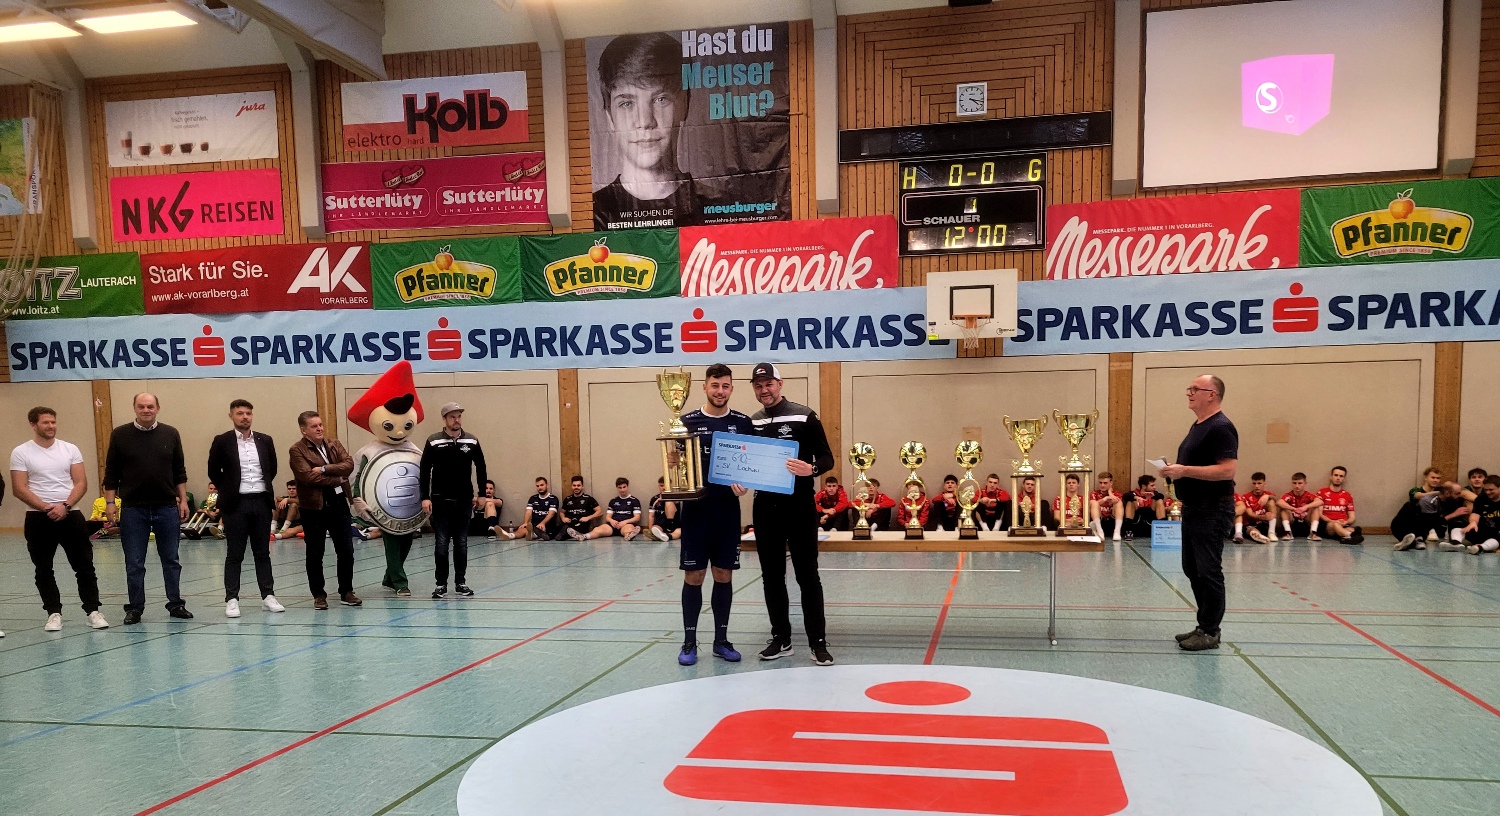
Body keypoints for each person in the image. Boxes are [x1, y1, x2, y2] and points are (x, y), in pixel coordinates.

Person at [591, 33, 742, 230]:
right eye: (627, 104)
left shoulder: (721, 209)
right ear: (610, 117)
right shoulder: (595, 214)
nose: (645, 121)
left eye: (660, 100)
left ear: (684, 105)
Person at [749, 362, 835, 666]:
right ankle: (781, 639)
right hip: (765, 508)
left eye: (768, 384)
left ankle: (817, 642)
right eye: (758, 386)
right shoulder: (753, 422)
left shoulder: (804, 415)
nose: (764, 390)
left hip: (799, 507)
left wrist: (812, 469)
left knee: (807, 576)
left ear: (780, 383)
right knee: (772, 577)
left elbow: (827, 458)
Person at [673, 363, 752, 664]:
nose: (720, 391)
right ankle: (689, 643)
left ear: (732, 388)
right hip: (696, 514)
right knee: (694, 576)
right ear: (704, 387)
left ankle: (721, 640)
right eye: (715, 385)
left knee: (723, 574)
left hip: (728, 513)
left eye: (725, 386)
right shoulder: (685, 422)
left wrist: (746, 483)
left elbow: (750, 465)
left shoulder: (743, 423)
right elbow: (675, 466)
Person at [10, 406, 108, 631]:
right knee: (43, 568)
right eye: (45, 422)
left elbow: (81, 482)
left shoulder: (70, 449)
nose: (51, 426)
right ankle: (53, 613)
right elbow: (19, 488)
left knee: (84, 566)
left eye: (53, 422)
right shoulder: (21, 452)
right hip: (38, 518)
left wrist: (65, 506)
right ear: (33, 424)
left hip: (71, 515)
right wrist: (46, 507)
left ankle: (93, 611)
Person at [1159, 374, 1238, 652]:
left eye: (1195, 389)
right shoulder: (1199, 426)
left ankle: (1211, 631)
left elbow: (1227, 470)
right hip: (1194, 507)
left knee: (1208, 571)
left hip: (1212, 508)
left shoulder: (1221, 427)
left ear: (1212, 394)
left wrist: (1184, 470)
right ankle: (1203, 625)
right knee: (1192, 568)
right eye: (1189, 388)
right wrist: (1176, 471)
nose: (1189, 392)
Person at [103, 392, 191, 625]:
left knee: (171, 560)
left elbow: (179, 471)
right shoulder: (119, 435)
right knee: (134, 563)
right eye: (141, 406)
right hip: (133, 509)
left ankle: (176, 604)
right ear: (135, 408)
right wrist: (110, 503)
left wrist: (183, 500)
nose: (146, 410)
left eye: (150, 406)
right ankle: (135, 608)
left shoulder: (171, 433)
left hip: (166, 507)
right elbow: (111, 473)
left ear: (157, 408)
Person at [206, 399, 283, 618]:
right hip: (235, 504)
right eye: (240, 413)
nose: (245, 417)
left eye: (248, 413)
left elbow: (272, 469)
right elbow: (213, 471)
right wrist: (229, 488)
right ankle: (232, 599)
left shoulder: (265, 440)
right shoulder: (222, 441)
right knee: (235, 553)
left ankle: (268, 595)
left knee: (262, 552)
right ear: (231, 416)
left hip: (260, 501)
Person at [288, 411, 360, 610]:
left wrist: (324, 469)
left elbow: (348, 465)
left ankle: (346, 591)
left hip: (338, 504)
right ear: (304, 430)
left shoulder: (333, 444)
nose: (319, 428)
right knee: (315, 552)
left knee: (346, 550)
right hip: (313, 507)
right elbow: (307, 477)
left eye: (320, 425)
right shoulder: (297, 450)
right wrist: (337, 479)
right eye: (314, 426)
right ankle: (318, 595)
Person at [420, 402, 487, 598]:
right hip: (440, 501)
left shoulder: (471, 441)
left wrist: (482, 493)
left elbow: (481, 467)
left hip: (464, 500)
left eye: (458, 416)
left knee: (461, 543)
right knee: (441, 543)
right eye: (452, 417)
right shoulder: (433, 441)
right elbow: (424, 470)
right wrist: (425, 497)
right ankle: (441, 584)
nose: (456, 420)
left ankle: (461, 582)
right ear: (444, 419)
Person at [1393, 481, 1469, 550]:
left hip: (1422, 528)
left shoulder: (1452, 501)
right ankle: (1411, 538)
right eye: (1457, 493)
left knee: (1457, 519)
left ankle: (1416, 540)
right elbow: (1430, 521)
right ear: (1447, 493)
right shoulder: (1429, 500)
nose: (1460, 496)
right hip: (1402, 526)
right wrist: (1454, 514)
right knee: (1409, 506)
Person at [1312, 466, 1363, 545]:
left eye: (1341, 476)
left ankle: (1345, 535)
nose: (1338, 478)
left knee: (1355, 528)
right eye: (1336, 475)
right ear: (1331, 477)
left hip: (1343, 524)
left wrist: (1346, 522)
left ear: (1344, 479)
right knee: (1335, 525)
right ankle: (1349, 536)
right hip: (1328, 525)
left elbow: (1352, 517)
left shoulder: (1348, 495)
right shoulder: (1322, 492)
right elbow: (1320, 514)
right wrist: (1333, 521)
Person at [1459, 475, 1500, 554]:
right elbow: (1475, 513)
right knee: (1468, 529)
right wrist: (1473, 522)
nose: (1488, 492)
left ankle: (1481, 547)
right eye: (1486, 490)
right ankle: (1456, 543)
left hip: (1498, 533)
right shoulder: (1481, 499)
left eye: (1491, 490)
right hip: (1486, 530)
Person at [1236, 472, 1279, 544]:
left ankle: (1271, 532)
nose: (1256, 486)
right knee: (1252, 530)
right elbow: (1250, 514)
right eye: (1254, 483)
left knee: (1271, 501)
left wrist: (1268, 496)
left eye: (1259, 483)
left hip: (1264, 524)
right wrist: (1264, 517)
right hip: (1251, 523)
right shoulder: (1246, 497)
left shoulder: (1268, 494)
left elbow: (1277, 501)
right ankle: (1259, 536)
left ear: (1264, 484)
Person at [1277, 473, 1321, 540]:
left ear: (1305, 483)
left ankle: (1313, 533)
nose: (1297, 486)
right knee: (1284, 508)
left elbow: (1320, 501)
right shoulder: (1289, 495)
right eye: (1294, 483)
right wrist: (1293, 509)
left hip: (1306, 522)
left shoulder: (1308, 495)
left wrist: (1305, 507)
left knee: (1315, 507)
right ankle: (1288, 533)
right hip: (1293, 523)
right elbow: (1279, 502)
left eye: (1300, 483)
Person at [1089, 472, 1130, 541]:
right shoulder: (1094, 493)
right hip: (1100, 520)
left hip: (1112, 521)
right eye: (1100, 483)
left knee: (1118, 502)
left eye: (1105, 483)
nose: (1102, 485)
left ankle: (1117, 532)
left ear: (1111, 483)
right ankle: (1099, 531)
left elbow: (1117, 501)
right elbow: (1092, 504)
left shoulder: (1116, 494)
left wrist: (1110, 493)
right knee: (1094, 503)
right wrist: (1105, 499)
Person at [559, 476, 603, 540]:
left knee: (574, 528)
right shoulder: (567, 499)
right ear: (571, 486)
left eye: (578, 485)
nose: (576, 487)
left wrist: (588, 518)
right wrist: (563, 518)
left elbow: (600, 512)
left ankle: (565, 534)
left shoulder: (588, 499)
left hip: (581, 524)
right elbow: (562, 512)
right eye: (574, 485)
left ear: (582, 486)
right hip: (569, 523)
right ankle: (564, 533)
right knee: (560, 527)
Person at [648, 476, 680, 541]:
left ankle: (668, 534)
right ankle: (664, 536)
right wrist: (650, 529)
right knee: (654, 528)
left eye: (666, 486)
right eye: (661, 486)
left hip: (674, 525)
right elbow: (651, 516)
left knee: (679, 531)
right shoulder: (654, 499)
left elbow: (676, 501)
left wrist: (663, 498)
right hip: (660, 524)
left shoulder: (675, 496)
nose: (664, 488)